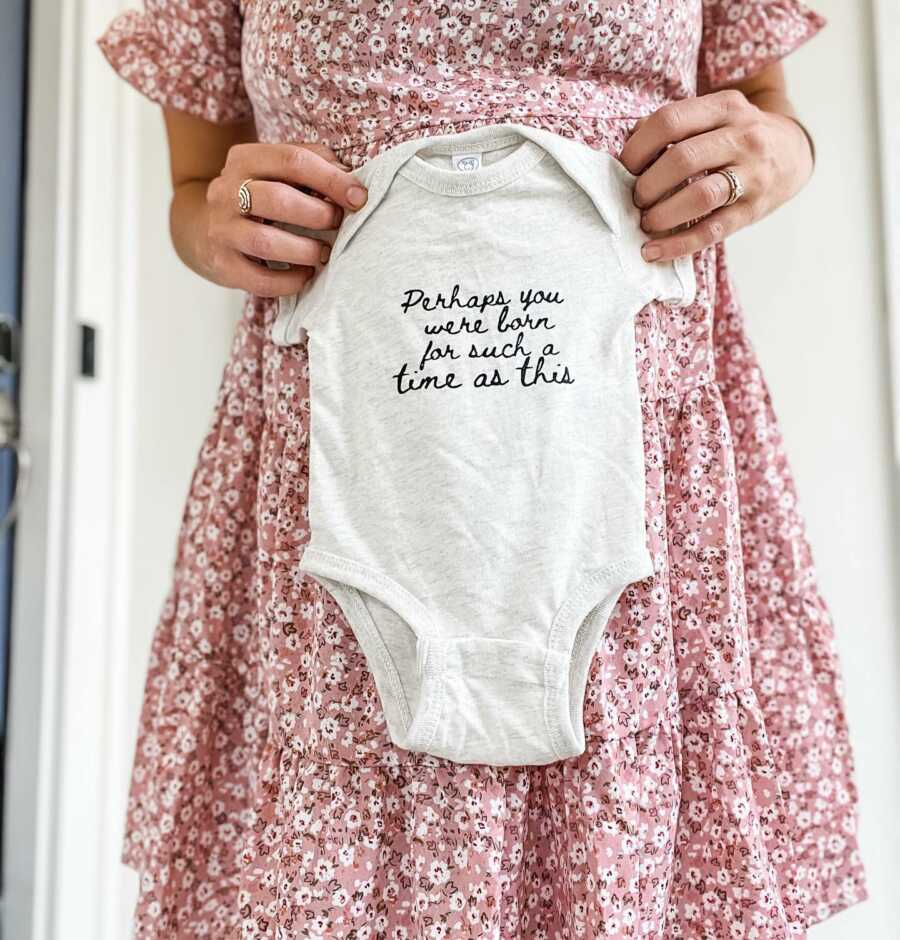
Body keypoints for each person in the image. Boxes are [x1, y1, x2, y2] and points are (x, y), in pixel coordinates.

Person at [98, 2, 867, 936]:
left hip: (633, 478)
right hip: (348, 478)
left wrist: (783, 152)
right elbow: (195, 185)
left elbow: (762, 104)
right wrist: (211, 223)